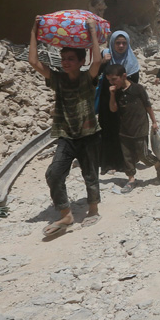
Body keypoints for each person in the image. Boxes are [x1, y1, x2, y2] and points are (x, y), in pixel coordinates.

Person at [28, 17, 103, 237]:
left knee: (90, 174)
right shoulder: (57, 79)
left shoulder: (87, 78)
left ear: (81, 61)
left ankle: (93, 209)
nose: (65, 61)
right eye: (63, 58)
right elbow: (33, 61)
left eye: (71, 58)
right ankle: (66, 214)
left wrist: (91, 31)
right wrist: (34, 30)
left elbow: (97, 60)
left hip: (89, 134)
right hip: (66, 135)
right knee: (54, 173)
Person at [104, 63, 160, 190]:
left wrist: (154, 122)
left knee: (143, 155)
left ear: (124, 76)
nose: (112, 83)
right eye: (109, 80)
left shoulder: (138, 89)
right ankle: (131, 179)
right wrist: (112, 95)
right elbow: (113, 109)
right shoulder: (116, 92)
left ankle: (158, 163)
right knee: (127, 157)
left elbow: (148, 106)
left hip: (140, 127)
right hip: (124, 129)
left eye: (114, 79)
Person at [96, 31, 141, 174]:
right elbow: (93, 75)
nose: (121, 46)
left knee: (124, 131)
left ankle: (125, 162)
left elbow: (134, 83)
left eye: (124, 43)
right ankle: (108, 163)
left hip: (124, 102)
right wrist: (102, 63)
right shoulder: (106, 57)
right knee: (108, 130)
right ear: (112, 43)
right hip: (107, 101)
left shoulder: (132, 61)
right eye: (117, 43)